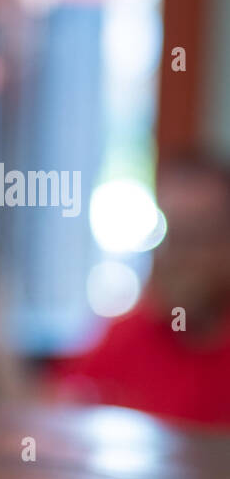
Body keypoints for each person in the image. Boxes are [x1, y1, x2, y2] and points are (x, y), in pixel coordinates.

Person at [51, 151, 230, 428]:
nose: (177, 258)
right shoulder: (131, 333)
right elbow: (49, 409)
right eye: (168, 236)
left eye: (196, 237)